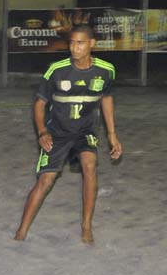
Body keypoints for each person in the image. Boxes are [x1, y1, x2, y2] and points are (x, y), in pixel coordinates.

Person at [14, 25, 123, 243]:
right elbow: (39, 104)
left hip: (86, 131)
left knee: (90, 167)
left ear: (92, 44)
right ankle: (22, 231)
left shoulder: (106, 70)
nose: (74, 47)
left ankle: (86, 226)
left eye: (80, 43)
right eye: (71, 42)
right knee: (46, 180)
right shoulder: (56, 70)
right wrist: (42, 131)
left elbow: (106, 98)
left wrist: (112, 134)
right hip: (57, 133)